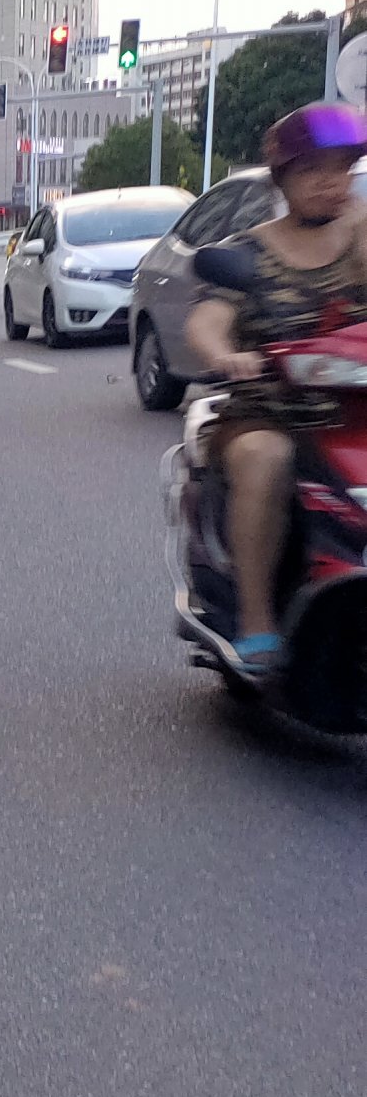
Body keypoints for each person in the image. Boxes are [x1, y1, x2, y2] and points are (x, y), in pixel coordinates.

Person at [183, 101, 367, 675]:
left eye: (341, 169)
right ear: (283, 179)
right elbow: (207, 321)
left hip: (357, 413)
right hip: (269, 413)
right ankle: (257, 620)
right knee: (267, 456)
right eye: (313, 169)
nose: (330, 182)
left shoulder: (363, 239)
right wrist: (226, 355)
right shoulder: (250, 252)